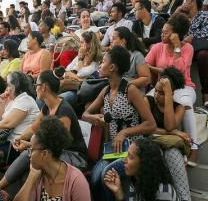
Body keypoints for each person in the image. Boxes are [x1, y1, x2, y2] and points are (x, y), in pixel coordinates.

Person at [82, 46, 156, 200]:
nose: (100, 65)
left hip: (132, 152)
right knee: (94, 178)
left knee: (105, 175)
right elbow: (85, 114)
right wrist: (95, 118)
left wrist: (124, 132)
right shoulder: (106, 91)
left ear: (112, 67)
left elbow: (151, 124)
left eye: (103, 62)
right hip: (113, 151)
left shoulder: (131, 90)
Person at [0, 68, 89, 189]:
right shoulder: (47, 107)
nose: (35, 88)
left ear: (44, 87)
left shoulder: (64, 111)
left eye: (37, 85)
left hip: (75, 156)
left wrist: (29, 146)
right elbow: (33, 128)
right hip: (56, 152)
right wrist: (20, 137)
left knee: (31, 154)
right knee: (32, 158)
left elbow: (60, 145)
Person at [145, 12, 198, 162]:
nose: (161, 34)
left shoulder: (187, 48)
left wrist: (176, 47)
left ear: (176, 34)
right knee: (147, 100)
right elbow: (146, 64)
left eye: (165, 32)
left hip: (184, 87)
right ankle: (166, 134)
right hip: (160, 87)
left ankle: (193, 147)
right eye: (161, 31)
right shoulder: (157, 47)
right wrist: (159, 71)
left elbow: (178, 71)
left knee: (185, 104)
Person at [13, 116, 91, 201]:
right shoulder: (37, 175)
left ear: (45, 154)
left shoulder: (77, 182)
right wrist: (31, 177)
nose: (29, 154)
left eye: (31, 149)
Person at [144, 67, 191, 200]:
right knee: (155, 153)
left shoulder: (179, 107)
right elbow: (148, 129)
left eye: (162, 92)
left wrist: (168, 95)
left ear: (172, 92)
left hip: (169, 145)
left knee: (174, 154)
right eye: (156, 90)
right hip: (151, 143)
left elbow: (169, 125)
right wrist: (175, 132)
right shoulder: (148, 101)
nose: (157, 95)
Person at [0, 71, 40, 160]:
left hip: (16, 145)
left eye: (9, 85)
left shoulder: (25, 100)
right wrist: (2, 104)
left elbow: (7, 124)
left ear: (15, 87)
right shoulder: (14, 101)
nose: (6, 88)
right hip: (6, 140)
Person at [104, 139, 179, 201]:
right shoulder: (136, 182)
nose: (124, 160)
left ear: (143, 163)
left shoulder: (163, 191)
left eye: (130, 157)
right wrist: (118, 192)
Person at [178, 0, 208, 108]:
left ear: (194, 2)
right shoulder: (181, 17)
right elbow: (170, 28)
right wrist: (177, 11)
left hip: (198, 47)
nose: (184, 3)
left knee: (203, 55)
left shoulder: (205, 15)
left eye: (187, 0)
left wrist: (191, 37)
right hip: (183, 48)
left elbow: (206, 32)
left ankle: (205, 94)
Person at [111, 26, 151, 91]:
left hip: (132, 91)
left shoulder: (137, 55)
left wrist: (124, 85)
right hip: (113, 89)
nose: (111, 41)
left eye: (114, 38)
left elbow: (146, 79)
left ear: (123, 41)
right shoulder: (111, 55)